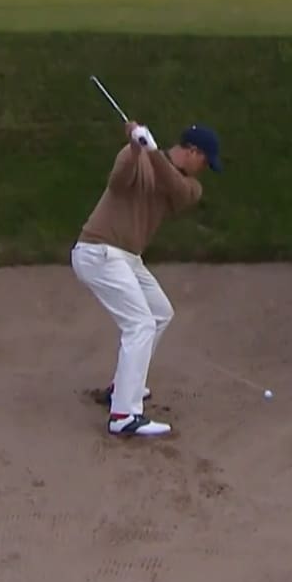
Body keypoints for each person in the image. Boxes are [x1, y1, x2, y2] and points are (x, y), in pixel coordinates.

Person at [71, 119, 222, 437]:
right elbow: (117, 181)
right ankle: (123, 415)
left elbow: (176, 190)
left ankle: (122, 388)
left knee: (160, 313)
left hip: (127, 259)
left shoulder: (189, 187)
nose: (204, 169)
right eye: (205, 162)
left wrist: (152, 151)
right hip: (98, 251)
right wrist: (134, 147)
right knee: (140, 324)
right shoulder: (136, 158)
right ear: (193, 152)